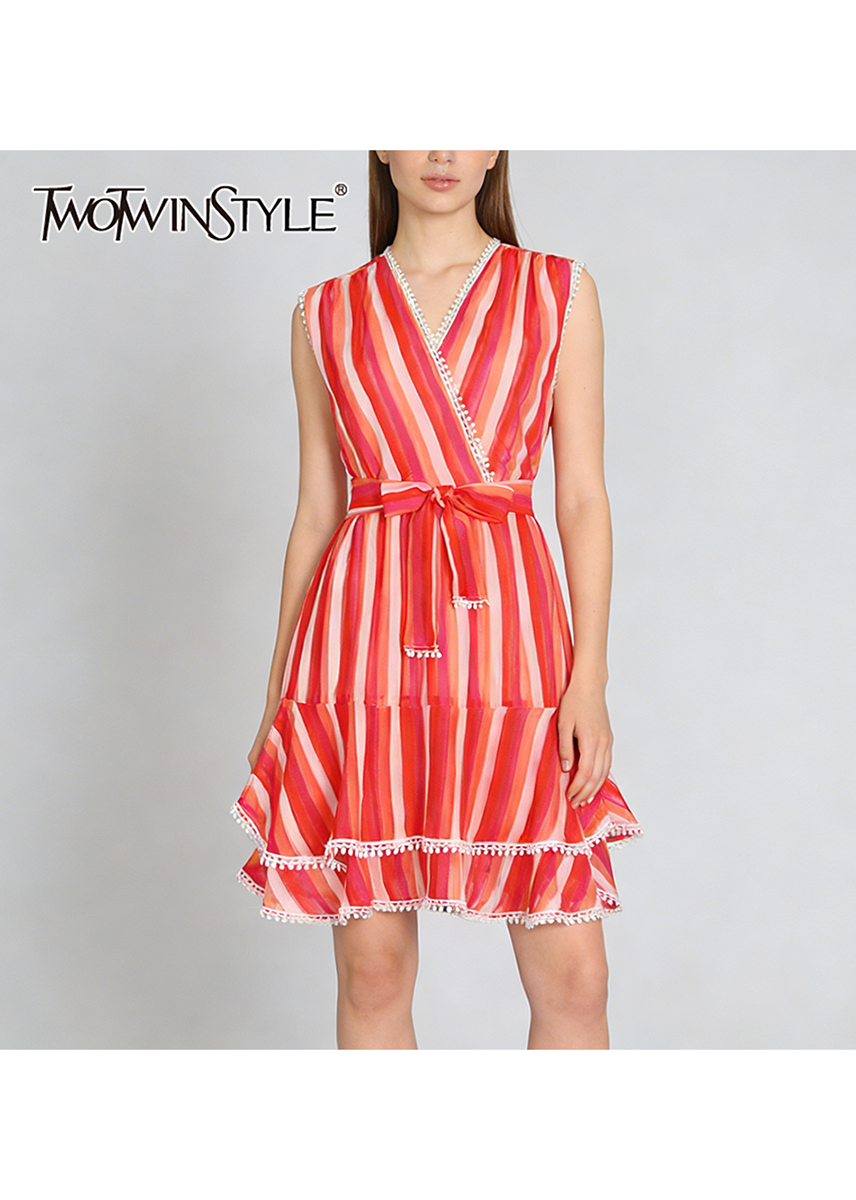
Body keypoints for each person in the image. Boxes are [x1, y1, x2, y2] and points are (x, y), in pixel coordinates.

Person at [231, 151, 642, 1049]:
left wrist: (590, 679)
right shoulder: (323, 311)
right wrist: (278, 696)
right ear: (381, 144)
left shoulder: (559, 292)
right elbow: (316, 512)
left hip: (512, 642)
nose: (444, 153)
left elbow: (582, 498)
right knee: (372, 970)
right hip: (363, 642)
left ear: (497, 147)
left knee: (577, 980)